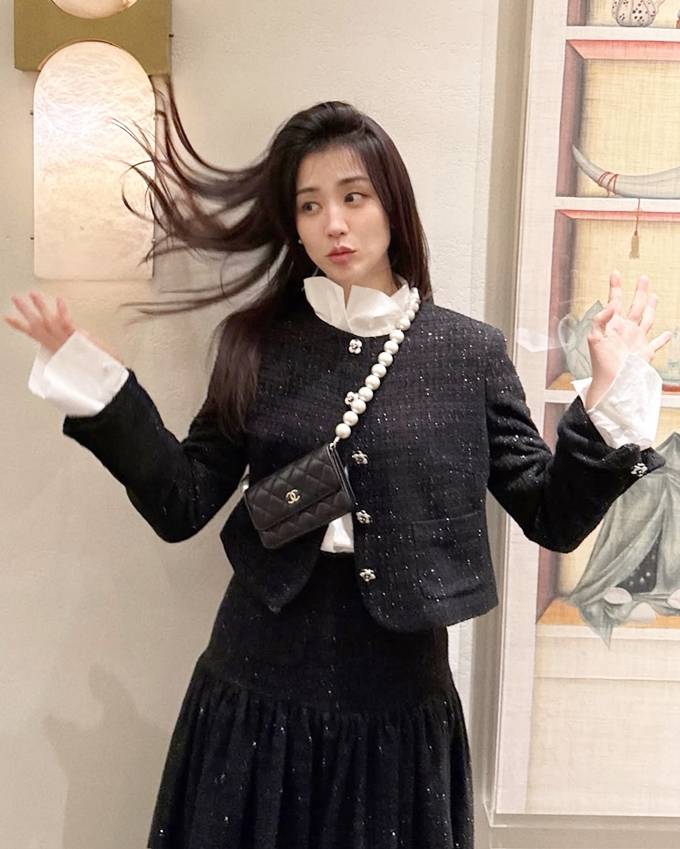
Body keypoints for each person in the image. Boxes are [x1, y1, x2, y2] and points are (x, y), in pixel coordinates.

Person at [4, 80, 671, 849]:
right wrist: (103, 388)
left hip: (397, 711)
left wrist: (608, 396)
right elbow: (181, 500)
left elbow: (552, 515)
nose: (334, 223)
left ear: (393, 204)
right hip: (255, 691)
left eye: (354, 196)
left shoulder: (469, 353)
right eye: (310, 205)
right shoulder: (258, 344)